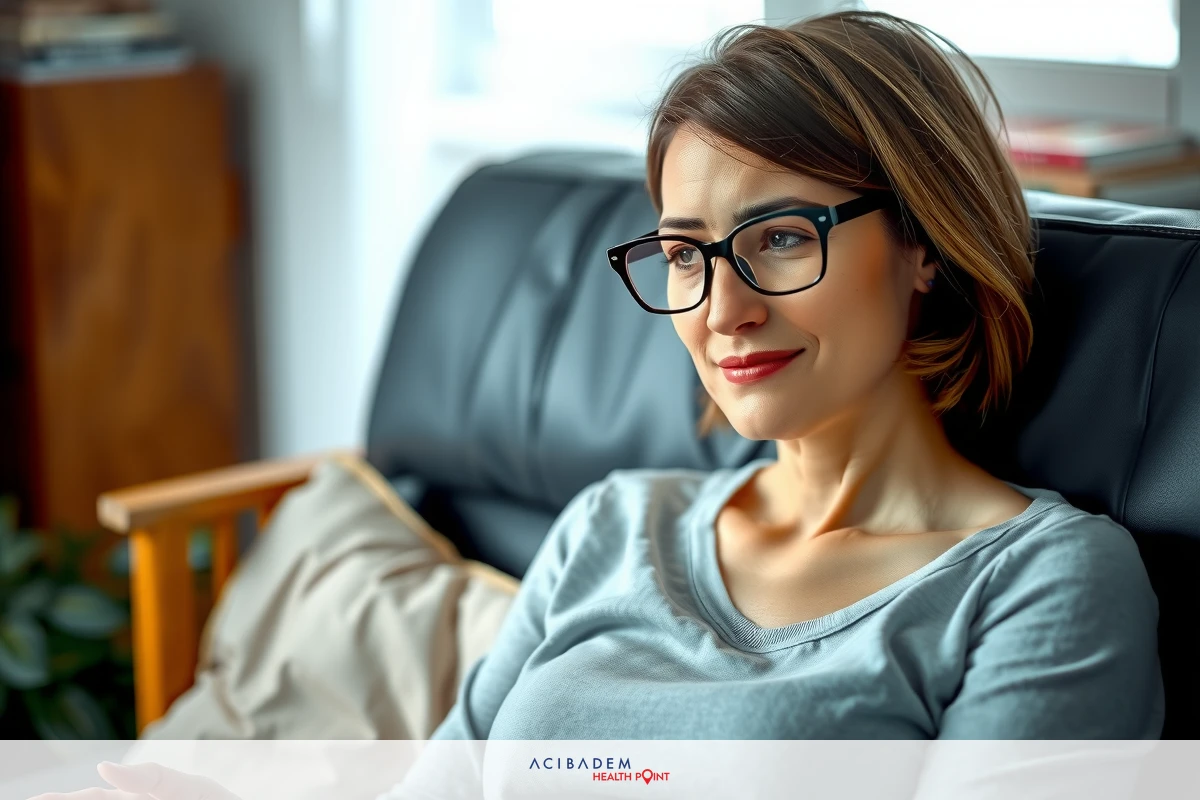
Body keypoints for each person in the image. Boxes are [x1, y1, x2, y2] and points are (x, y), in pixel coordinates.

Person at [28, 9, 1164, 800]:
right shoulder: (615, 524)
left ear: (923, 243)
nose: (719, 309)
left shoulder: (1041, 581)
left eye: (776, 237)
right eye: (683, 250)